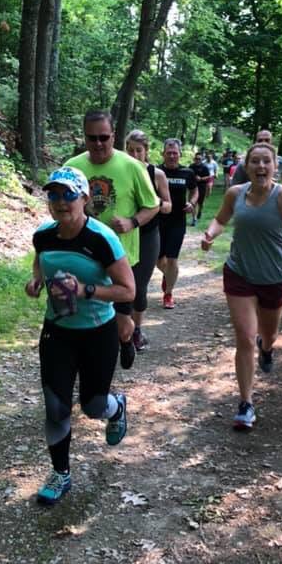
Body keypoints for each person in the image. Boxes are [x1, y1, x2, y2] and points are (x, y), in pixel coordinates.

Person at [26, 167, 136, 506]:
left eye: (68, 194)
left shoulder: (101, 239)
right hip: (58, 331)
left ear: (85, 199)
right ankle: (60, 474)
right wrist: (36, 282)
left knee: (93, 406)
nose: (61, 202)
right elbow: (40, 263)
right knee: (56, 407)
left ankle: (117, 408)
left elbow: (127, 289)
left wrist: (85, 290)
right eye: (54, 195)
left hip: (97, 333)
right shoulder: (43, 235)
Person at [201, 142, 282, 431]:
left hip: (275, 276)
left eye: (266, 162)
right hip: (239, 273)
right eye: (255, 161)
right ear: (247, 167)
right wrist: (210, 234)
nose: (261, 167)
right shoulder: (235, 194)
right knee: (244, 337)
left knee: (269, 335)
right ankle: (245, 403)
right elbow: (220, 219)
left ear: (275, 167)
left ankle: (266, 348)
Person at [65, 109, 159, 369]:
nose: (98, 144)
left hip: (122, 258)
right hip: (84, 255)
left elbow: (152, 205)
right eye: (91, 138)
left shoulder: (131, 166)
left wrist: (132, 222)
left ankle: (126, 339)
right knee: (85, 314)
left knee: (120, 322)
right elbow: (59, 206)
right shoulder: (72, 167)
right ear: (84, 137)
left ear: (113, 136)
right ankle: (92, 370)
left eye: (103, 138)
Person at [125, 129, 172, 351]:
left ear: (147, 151)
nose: (134, 155)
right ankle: (118, 329)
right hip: (123, 234)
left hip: (147, 235)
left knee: (139, 284)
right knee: (119, 283)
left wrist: (154, 205)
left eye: (138, 150)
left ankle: (136, 331)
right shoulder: (120, 170)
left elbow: (168, 205)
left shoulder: (157, 174)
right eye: (130, 150)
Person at [157, 138, 198, 309]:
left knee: (172, 259)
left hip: (177, 222)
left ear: (180, 154)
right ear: (163, 154)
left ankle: (168, 294)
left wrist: (192, 203)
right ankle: (169, 276)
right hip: (157, 221)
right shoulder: (155, 171)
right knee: (157, 260)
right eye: (169, 153)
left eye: (175, 153)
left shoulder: (187, 173)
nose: (172, 156)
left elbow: (195, 190)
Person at [189, 152, 212, 225]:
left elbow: (208, 177)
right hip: (193, 186)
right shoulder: (191, 166)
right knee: (193, 202)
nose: (197, 160)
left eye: (199, 159)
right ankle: (194, 218)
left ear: (201, 159)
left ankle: (200, 211)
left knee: (200, 203)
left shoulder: (204, 167)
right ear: (194, 159)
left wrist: (201, 178)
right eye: (196, 158)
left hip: (202, 186)